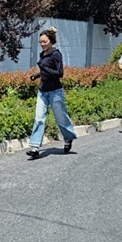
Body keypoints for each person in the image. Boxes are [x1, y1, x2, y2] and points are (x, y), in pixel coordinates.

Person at [26, 27, 77, 159]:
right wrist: (37, 75)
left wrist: (44, 68)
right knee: (39, 118)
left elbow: (59, 73)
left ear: (51, 41)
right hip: (43, 91)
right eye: (40, 42)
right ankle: (35, 147)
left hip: (55, 92)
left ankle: (68, 138)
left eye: (45, 42)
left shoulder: (56, 54)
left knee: (61, 118)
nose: (42, 44)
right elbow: (45, 71)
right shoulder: (42, 54)